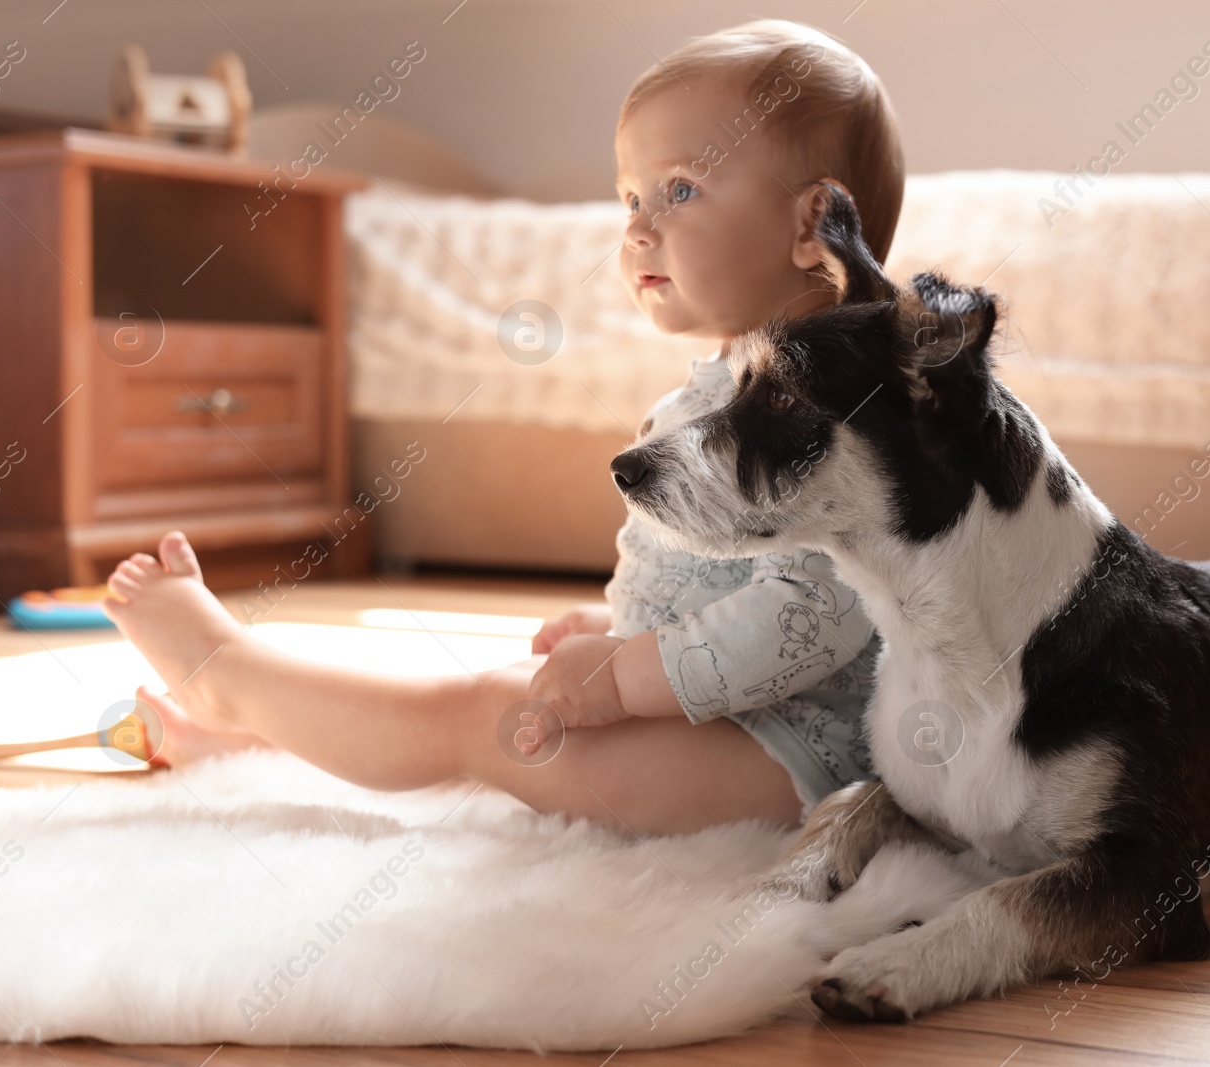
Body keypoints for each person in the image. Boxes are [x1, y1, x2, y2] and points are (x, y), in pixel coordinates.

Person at [102, 19, 908, 837]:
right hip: (739, 734)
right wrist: (624, 630)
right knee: (514, 707)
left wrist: (629, 675)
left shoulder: (834, 408)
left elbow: (812, 617)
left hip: (793, 766)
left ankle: (231, 674)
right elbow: (729, 575)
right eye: (631, 198)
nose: (636, 229)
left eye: (681, 190)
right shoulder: (732, 385)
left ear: (812, 226)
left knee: (491, 713)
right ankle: (257, 741)